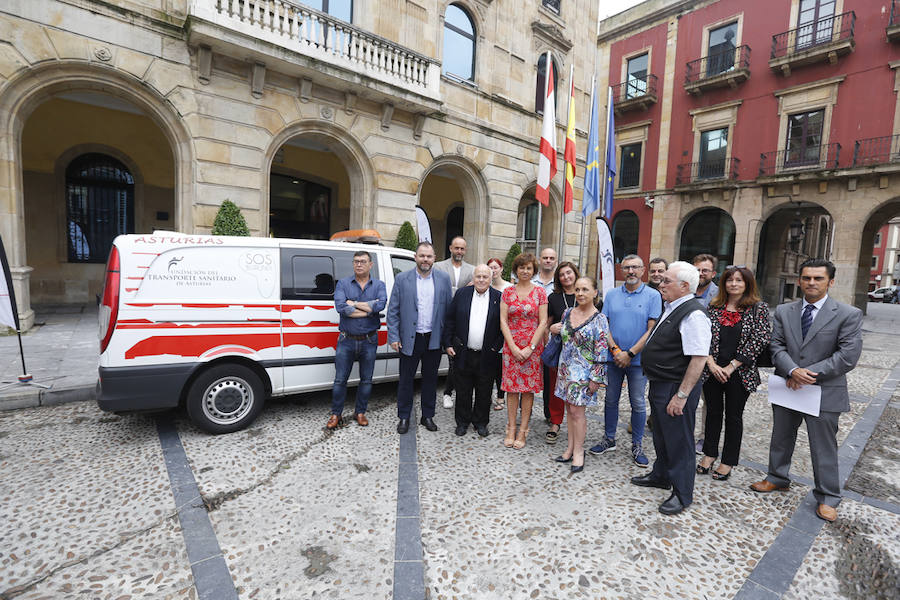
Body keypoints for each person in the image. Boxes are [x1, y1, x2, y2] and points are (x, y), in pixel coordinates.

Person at [750, 259, 863, 523]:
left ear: (830, 282)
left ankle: (828, 497)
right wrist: (791, 370)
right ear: (799, 280)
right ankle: (777, 477)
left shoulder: (847, 314)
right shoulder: (784, 311)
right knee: (781, 436)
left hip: (823, 390)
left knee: (823, 446)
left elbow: (847, 356)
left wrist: (806, 374)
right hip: (788, 385)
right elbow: (775, 345)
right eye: (807, 278)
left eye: (818, 278)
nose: (811, 283)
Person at [632, 261, 710, 516]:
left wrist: (682, 396)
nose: (660, 284)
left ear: (684, 286)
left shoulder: (694, 314)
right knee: (662, 435)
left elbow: (698, 358)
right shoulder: (672, 306)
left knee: (679, 440)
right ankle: (661, 474)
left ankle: (682, 493)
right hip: (661, 382)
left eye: (666, 281)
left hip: (676, 386)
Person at [697, 266, 770, 480]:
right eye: (730, 280)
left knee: (733, 416)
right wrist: (711, 364)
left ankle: (728, 460)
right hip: (712, 370)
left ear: (747, 284)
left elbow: (759, 340)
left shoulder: (758, 308)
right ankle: (709, 454)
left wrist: (731, 366)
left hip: (740, 372)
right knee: (712, 413)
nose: (734, 284)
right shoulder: (714, 306)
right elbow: (704, 337)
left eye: (739, 280)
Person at [589, 255, 661, 467]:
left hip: (638, 361)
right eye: (627, 267)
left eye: (635, 268)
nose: (631, 271)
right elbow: (605, 325)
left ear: (643, 270)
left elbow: (652, 329)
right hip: (613, 359)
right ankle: (609, 438)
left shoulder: (653, 295)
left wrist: (629, 353)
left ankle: (637, 444)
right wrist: (616, 350)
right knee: (610, 399)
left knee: (637, 402)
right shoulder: (611, 295)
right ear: (621, 270)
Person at [387, 241, 453, 434]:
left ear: (434, 259)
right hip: (409, 338)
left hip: (433, 338)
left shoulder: (443, 279)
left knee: (430, 380)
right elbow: (393, 311)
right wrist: (393, 336)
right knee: (406, 380)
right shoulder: (402, 279)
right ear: (415, 257)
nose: (425, 259)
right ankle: (404, 417)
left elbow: (448, 310)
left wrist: (446, 339)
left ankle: (428, 416)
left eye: (429, 256)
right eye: (422, 255)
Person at [553, 277, 609, 473]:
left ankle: (579, 451)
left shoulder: (600, 319)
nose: (580, 293)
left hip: (585, 374)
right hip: (565, 369)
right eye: (577, 289)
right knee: (569, 410)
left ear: (595, 293)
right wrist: (554, 330)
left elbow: (602, 351)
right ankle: (569, 448)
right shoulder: (567, 312)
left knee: (578, 413)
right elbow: (564, 337)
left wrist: (597, 377)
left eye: (585, 289)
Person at [328, 250, 388, 429]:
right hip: (346, 340)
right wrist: (369, 308)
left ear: (371, 265)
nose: (359, 264)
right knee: (340, 380)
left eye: (363, 261)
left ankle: (360, 412)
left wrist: (352, 303)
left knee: (366, 380)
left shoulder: (379, 285)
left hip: (369, 340)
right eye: (356, 261)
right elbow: (340, 307)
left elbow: (381, 305)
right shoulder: (343, 284)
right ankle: (335, 414)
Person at [443, 265, 503, 437]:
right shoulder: (462, 294)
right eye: (478, 276)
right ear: (473, 277)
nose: (482, 280)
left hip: (487, 354)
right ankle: (462, 422)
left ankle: (481, 422)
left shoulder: (499, 298)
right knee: (463, 390)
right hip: (464, 351)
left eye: (485, 277)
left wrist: (495, 347)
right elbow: (450, 320)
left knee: (484, 391)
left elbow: (503, 326)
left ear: (491, 278)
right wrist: (448, 344)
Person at [500, 253, 549, 449]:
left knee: (528, 391)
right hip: (510, 347)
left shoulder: (540, 293)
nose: (525, 271)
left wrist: (530, 348)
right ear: (516, 270)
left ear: (533, 271)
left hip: (532, 348)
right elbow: (503, 320)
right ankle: (511, 427)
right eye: (521, 267)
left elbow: (543, 321)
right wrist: (512, 346)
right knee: (511, 390)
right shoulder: (507, 292)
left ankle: (523, 430)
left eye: (529, 268)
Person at [434, 236, 474, 409]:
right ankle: (449, 392)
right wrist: (462, 290)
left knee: (455, 360)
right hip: (440, 319)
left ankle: (450, 392)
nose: (459, 251)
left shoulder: (472, 270)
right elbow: (437, 289)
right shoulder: (438, 267)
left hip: (460, 322)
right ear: (450, 248)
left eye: (462, 249)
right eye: (456, 248)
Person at [545, 261, 580, 443]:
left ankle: (576, 423)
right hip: (559, 349)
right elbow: (547, 324)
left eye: (569, 273)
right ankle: (555, 421)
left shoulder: (585, 293)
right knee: (555, 388)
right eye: (562, 274)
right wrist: (552, 328)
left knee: (577, 387)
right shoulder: (554, 297)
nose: (566, 277)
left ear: (575, 273)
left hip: (581, 352)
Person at [692, 253, 719, 454]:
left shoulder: (719, 295)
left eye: (705, 270)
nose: (701, 274)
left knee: (709, 402)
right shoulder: (685, 290)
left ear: (713, 273)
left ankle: (704, 438)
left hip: (712, 357)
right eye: (698, 269)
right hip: (686, 356)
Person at [532, 247, 557, 422]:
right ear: (539, 260)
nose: (548, 260)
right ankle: (524, 411)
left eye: (551, 258)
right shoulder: (531, 281)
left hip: (552, 337)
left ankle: (549, 414)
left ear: (555, 261)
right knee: (528, 373)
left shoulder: (561, 282)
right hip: (531, 334)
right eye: (545, 257)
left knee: (550, 377)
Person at [488, 257, 513, 411]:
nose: (493, 270)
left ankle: (500, 397)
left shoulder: (509, 288)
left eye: (495, 267)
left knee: (500, 367)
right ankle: (488, 394)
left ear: (501, 269)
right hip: (489, 332)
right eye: (490, 267)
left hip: (505, 332)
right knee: (488, 366)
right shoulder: (484, 285)